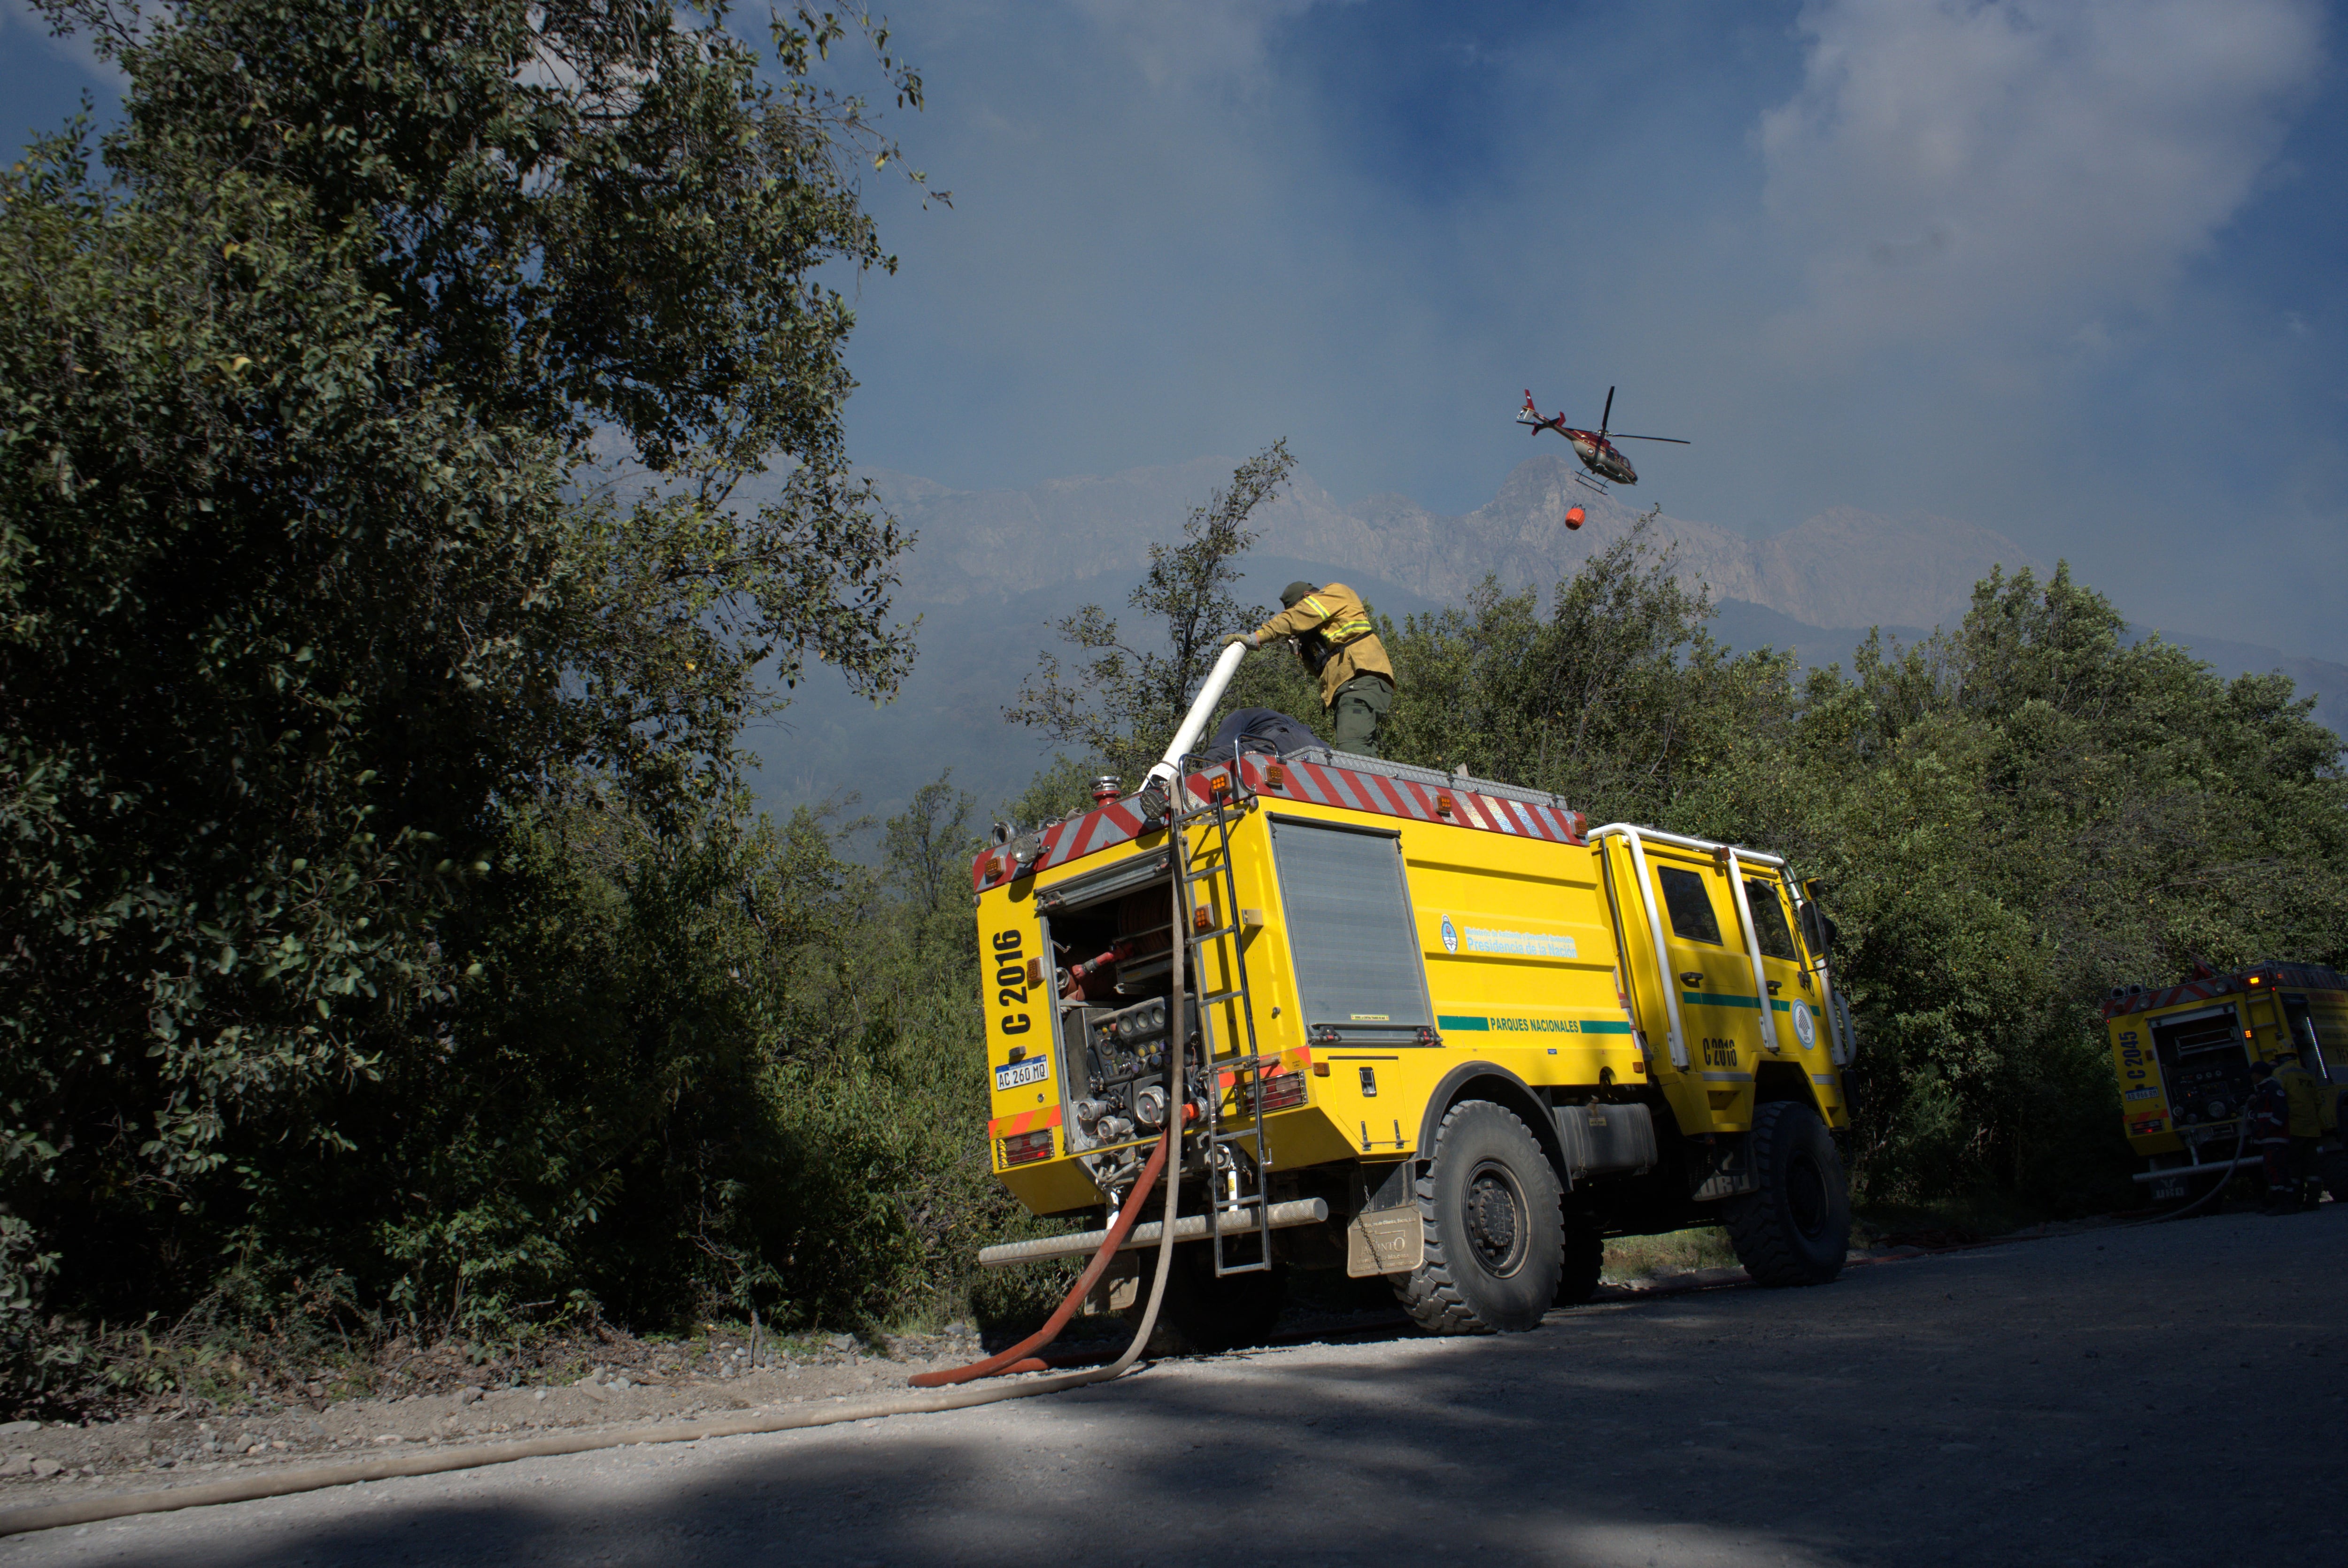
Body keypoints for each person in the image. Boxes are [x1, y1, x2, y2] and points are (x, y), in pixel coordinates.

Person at [1225, 581, 1396, 757]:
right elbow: (1324, 670)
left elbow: (1297, 617)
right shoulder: (1327, 625)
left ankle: (1356, 783)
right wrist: (1306, 651)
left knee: (1351, 748)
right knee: (1363, 751)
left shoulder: (1336, 592)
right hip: (1351, 684)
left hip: (1360, 677)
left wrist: (1257, 637)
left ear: (1308, 597)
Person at [2274, 1036, 2327, 1209]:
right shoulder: (2307, 1075)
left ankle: (2295, 1200)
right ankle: (2313, 1200)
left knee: (2294, 1167)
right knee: (2312, 1167)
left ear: (2279, 1057)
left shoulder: (2280, 1074)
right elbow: (2317, 1102)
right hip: (2312, 1128)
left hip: (2293, 1129)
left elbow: (2277, 1100)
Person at [2246, 1059, 2297, 1215]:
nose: (2252, 1078)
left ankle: (2283, 1205)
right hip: (2270, 1139)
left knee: (2274, 1170)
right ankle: (2288, 1203)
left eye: (2253, 1074)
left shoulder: (2272, 1088)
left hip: (2275, 1139)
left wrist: (2266, 1130)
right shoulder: (2263, 1090)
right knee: (2278, 1170)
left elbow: (2280, 1113)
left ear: (2259, 1074)